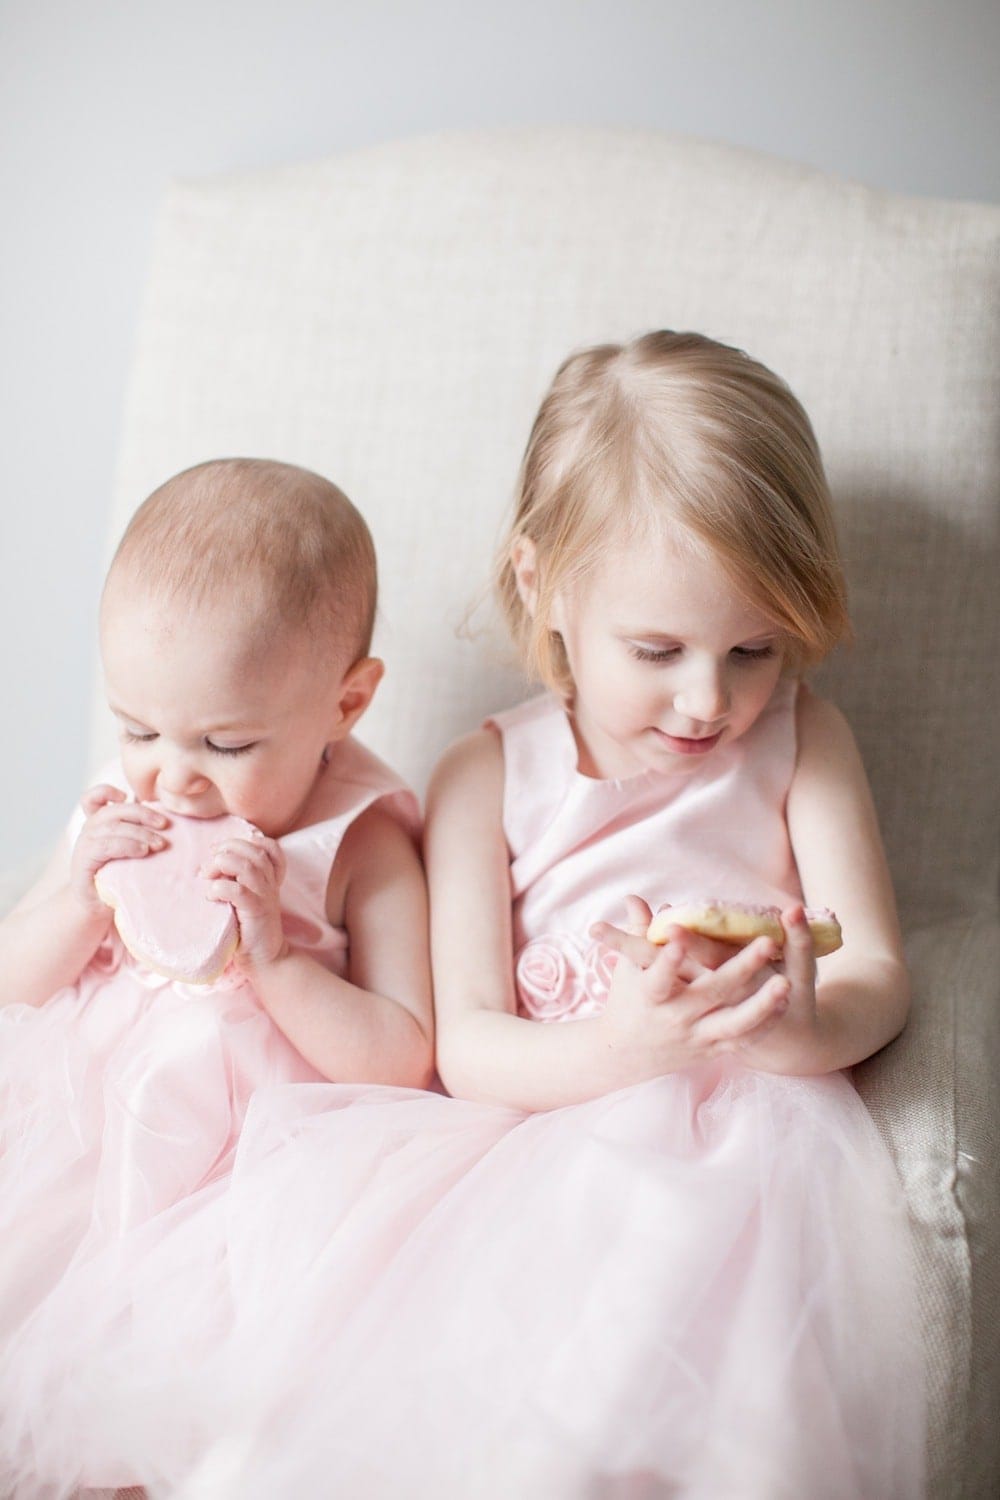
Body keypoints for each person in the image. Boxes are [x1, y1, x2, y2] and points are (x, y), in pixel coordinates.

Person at [15, 337, 923, 1500]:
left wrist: (794, 1027)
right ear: (543, 585)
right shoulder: (484, 777)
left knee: (714, 1400)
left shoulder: (804, 741)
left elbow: (879, 969)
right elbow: (471, 1047)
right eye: (658, 650)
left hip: (751, 1134)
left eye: (753, 649)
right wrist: (624, 1047)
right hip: (550, 1114)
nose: (710, 698)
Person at [0, 458, 433, 1499]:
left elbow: (406, 1052)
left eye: (226, 743)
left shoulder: (361, 840)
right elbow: (13, 985)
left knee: (192, 1415)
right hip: (84, 1138)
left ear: (348, 700)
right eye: (137, 728)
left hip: (249, 1183)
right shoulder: (122, 805)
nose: (172, 775)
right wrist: (76, 898)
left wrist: (276, 959)